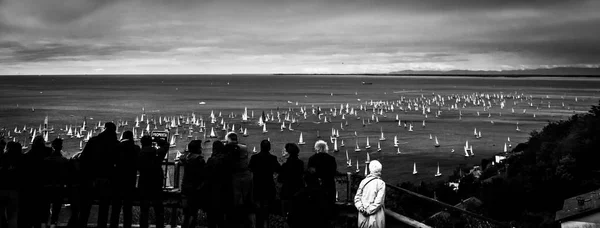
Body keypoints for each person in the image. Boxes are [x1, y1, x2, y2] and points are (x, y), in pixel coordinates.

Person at [78, 122, 119, 228]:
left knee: (86, 207)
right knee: (104, 209)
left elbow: (83, 159)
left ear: (104, 129)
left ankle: (82, 225)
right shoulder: (116, 144)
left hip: (91, 178)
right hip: (108, 179)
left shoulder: (93, 141)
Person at [110, 131, 140, 228]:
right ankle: (127, 225)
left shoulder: (117, 147)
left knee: (115, 208)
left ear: (123, 137)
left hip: (117, 180)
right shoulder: (136, 148)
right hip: (130, 180)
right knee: (128, 208)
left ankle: (113, 225)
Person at [224, 132, 255, 228]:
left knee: (236, 201)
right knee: (247, 200)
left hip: (235, 177)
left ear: (228, 140)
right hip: (247, 176)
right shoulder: (244, 147)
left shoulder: (228, 148)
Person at [137, 135, 169, 228]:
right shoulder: (157, 152)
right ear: (151, 143)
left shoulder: (139, 153)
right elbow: (166, 145)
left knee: (144, 209)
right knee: (158, 208)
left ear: (142, 143)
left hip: (144, 182)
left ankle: (143, 226)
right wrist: (158, 140)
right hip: (156, 182)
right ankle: (159, 226)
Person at [21, 136, 52, 228]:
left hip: (31, 186)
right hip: (45, 185)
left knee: (32, 209)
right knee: (44, 209)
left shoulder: (28, 155)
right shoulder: (48, 152)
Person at [249, 140, 281, 228]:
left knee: (258, 207)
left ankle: (259, 224)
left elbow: (250, 168)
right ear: (269, 148)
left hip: (258, 185)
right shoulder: (273, 158)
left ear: (261, 147)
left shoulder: (254, 158)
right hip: (268, 185)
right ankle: (267, 224)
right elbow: (278, 169)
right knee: (268, 208)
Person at [307, 140, 338, 222]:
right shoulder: (331, 159)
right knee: (329, 210)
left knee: (316, 211)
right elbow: (333, 172)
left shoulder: (312, 159)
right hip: (329, 187)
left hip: (315, 188)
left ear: (317, 148)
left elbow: (310, 174)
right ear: (325, 148)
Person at [180, 140, 206, 228]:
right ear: (198, 149)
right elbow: (203, 174)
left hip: (185, 187)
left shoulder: (185, 158)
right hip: (195, 189)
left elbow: (181, 157)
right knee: (193, 213)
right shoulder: (199, 160)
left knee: (185, 212)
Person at [44, 138, 69, 228]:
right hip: (59, 187)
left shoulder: (46, 160)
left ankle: (44, 224)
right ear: (61, 147)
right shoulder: (65, 161)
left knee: (45, 208)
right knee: (56, 209)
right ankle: (53, 224)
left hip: (47, 187)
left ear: (53, 146)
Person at [354, 160, 386, 228]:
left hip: (362, 217)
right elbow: (379, 202)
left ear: (370, 169)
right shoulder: (381, 183)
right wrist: (369, 211)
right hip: (376, 217)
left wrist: (361, 209)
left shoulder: (363, 182)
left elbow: (357, 198)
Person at [205, 141, 228, 228]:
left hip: (212, 191)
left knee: (211, 219)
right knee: (221, 218)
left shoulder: (211, 160)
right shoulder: (225, 159)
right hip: (223, 191)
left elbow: (206, 174)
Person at [277, 143, 304, 218]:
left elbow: (280, 179)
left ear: (288, 152)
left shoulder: (285, 165)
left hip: (286, 192)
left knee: (285, 215)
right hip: (297, 191)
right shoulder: (300, 163)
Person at [0, 141, 23, 228]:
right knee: (13, 216)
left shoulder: (3, 158)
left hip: (2, 189)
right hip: (15, 190)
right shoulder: (21, 159)